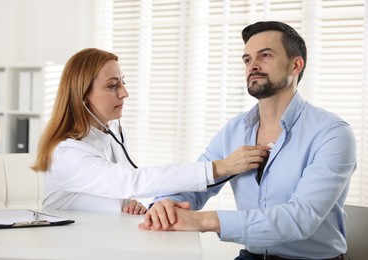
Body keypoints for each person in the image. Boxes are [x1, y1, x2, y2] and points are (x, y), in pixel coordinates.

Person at [139, 21, 357, 260]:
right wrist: (165, 204)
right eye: (247, 59)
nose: (253, 65)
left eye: (265, 56)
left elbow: (300, 218)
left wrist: (202, 220)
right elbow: (196, 183)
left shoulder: (332, 133)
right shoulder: (234, 130)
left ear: (296, 65)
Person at [31, 48, 269, 215]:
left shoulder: (110, 133)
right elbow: (130, 181)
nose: (124, 93)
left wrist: (124, 203)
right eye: (113, 86)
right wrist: (222, 167)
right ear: (82, 97)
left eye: (123, 82)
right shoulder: (67, 152)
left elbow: (107, 190)